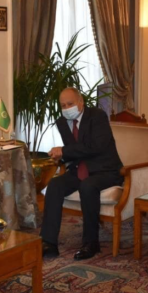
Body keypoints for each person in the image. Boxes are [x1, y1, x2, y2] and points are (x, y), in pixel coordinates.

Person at [40, 87, 123, 260]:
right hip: (79, 169)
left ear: (80, 102)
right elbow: (74, 151)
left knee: (88, 186)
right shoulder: (62, 122)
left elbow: (95, 147)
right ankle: (48, 242)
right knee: (54, 185)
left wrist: (64, 151)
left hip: (105, 170)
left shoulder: (97, 116)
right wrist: (61, 157)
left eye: (70, 104)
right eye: (63, 105)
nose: (66, 108)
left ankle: (91, 243)